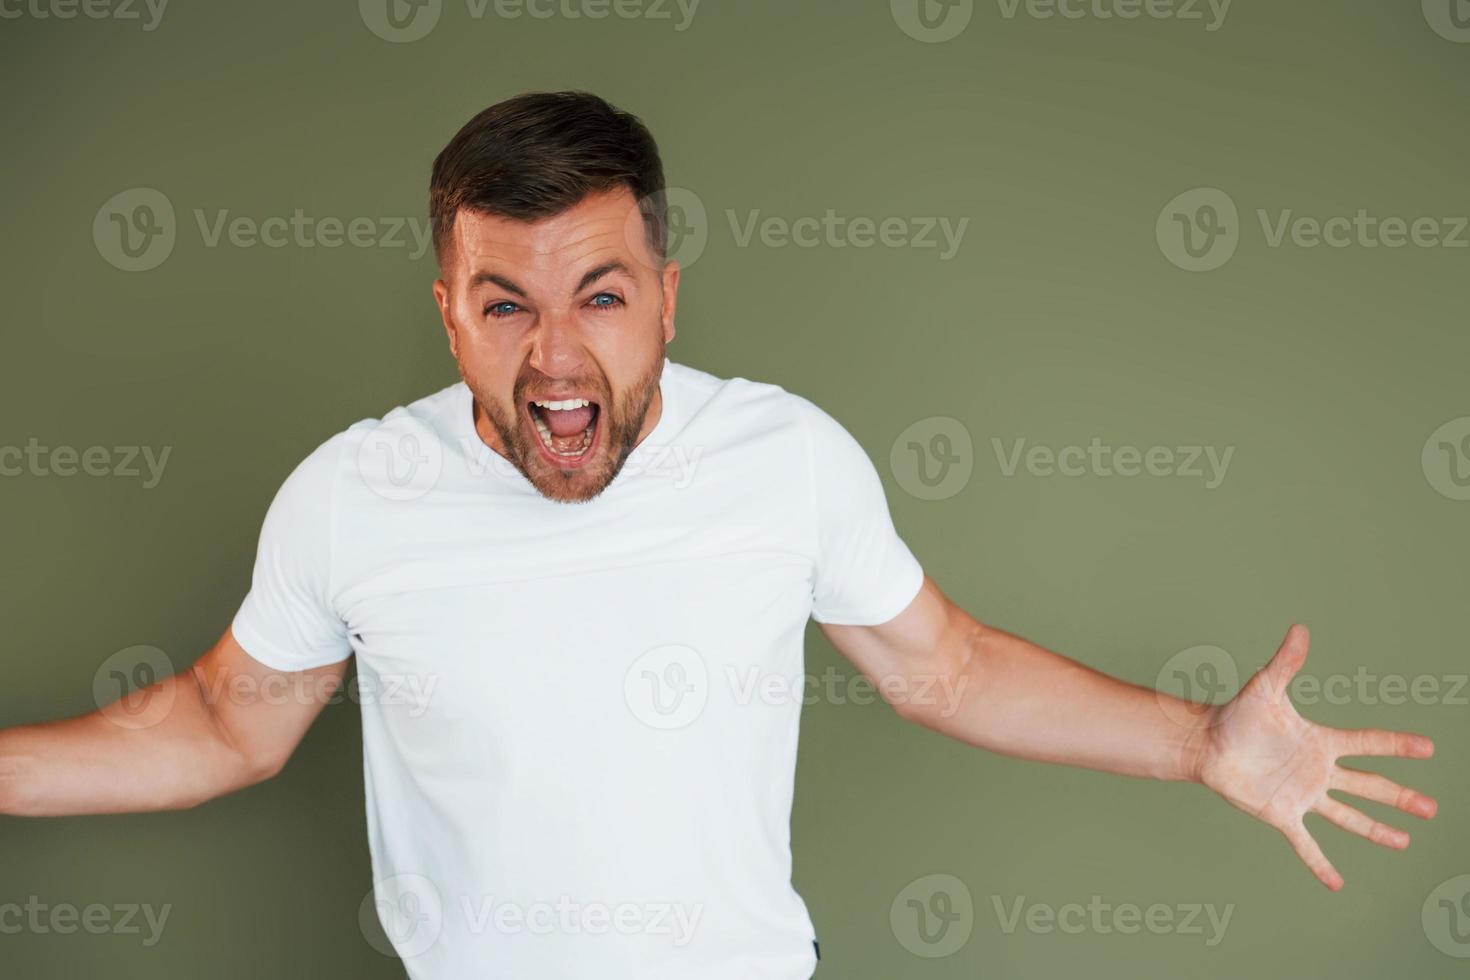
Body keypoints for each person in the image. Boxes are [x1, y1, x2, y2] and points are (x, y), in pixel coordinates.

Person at [0, 91, 1437, 979]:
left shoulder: (785, 458)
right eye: (505, 304)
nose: (556, 357)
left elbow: (945, 668)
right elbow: (215, 728)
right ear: (447, 311)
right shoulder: (352, 495)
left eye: (601, 296)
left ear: (666, 298)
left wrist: (1199, 744)